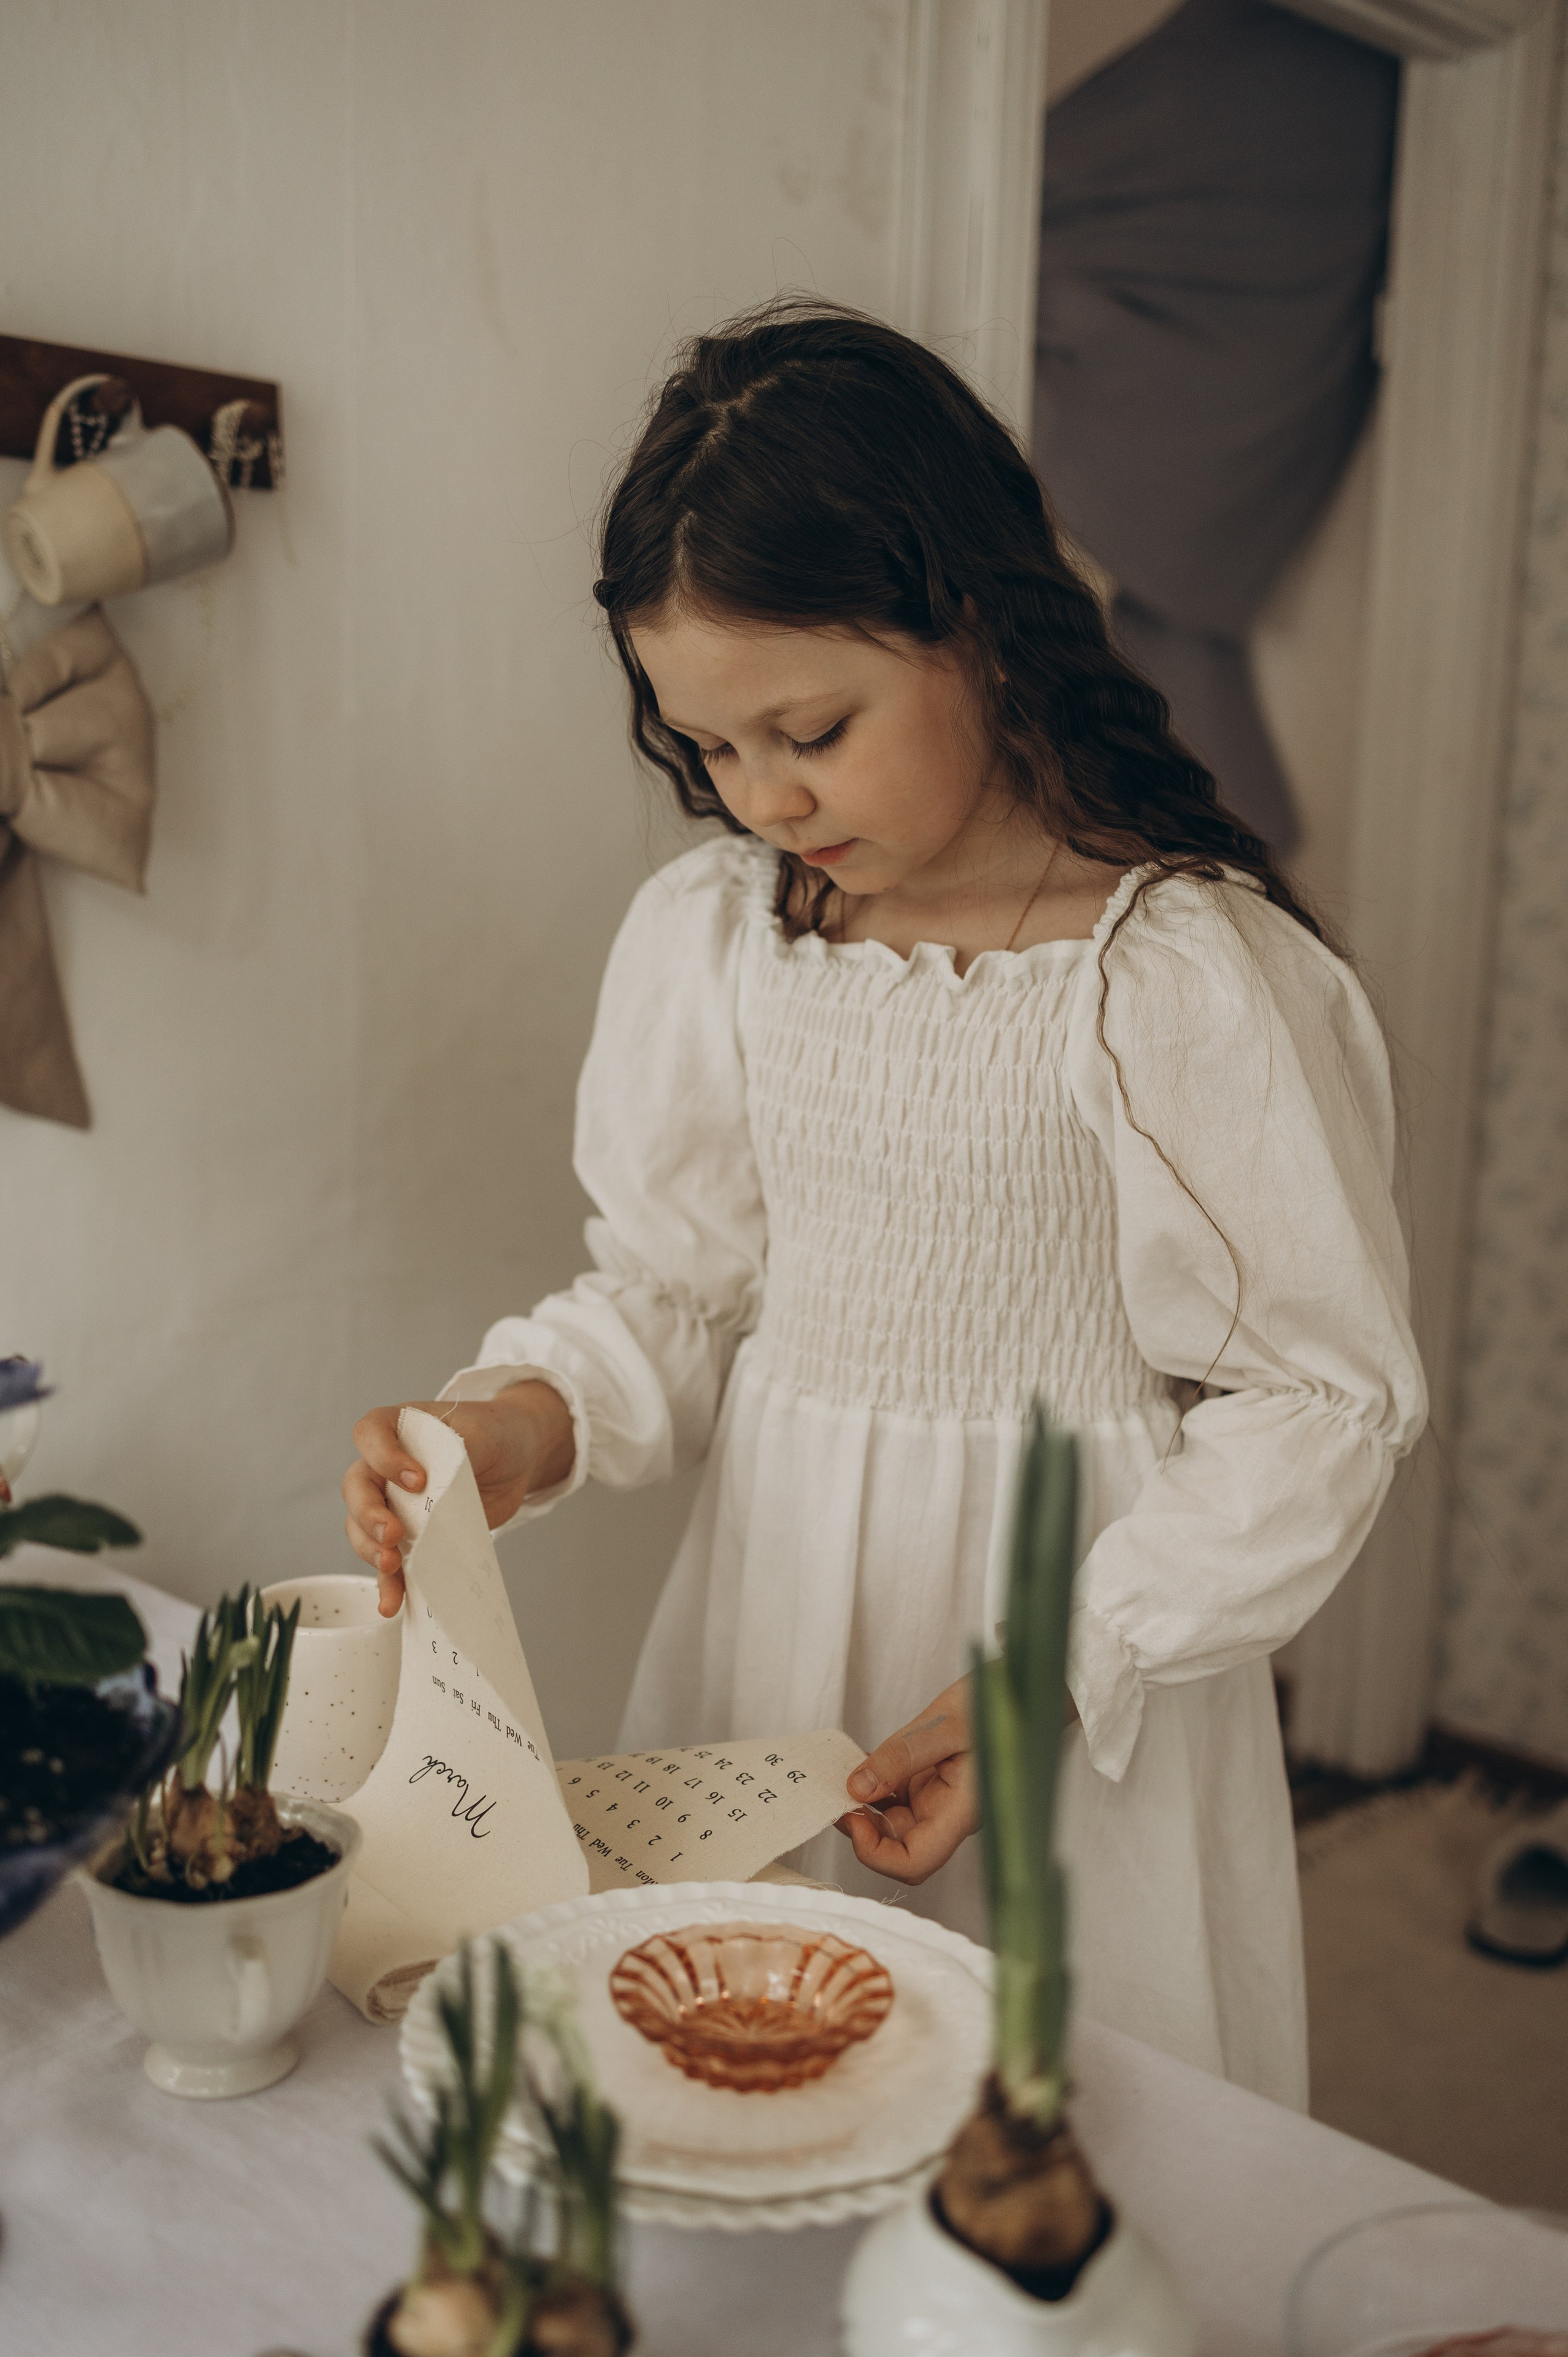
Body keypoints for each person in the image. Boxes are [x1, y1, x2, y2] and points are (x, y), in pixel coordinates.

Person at [342, 301, 1425, 2110]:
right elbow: (680, 1294)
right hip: (775, 1644)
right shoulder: (722, 939)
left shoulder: (1173, 976)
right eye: (712, 750)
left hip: (1071, 1671)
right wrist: (517, 1424)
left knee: (1056, 2130)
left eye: (812, 730)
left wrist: (1052, 1680)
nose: (765, 798)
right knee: (740, 2083)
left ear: (977, 624)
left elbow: (1319, 1397)